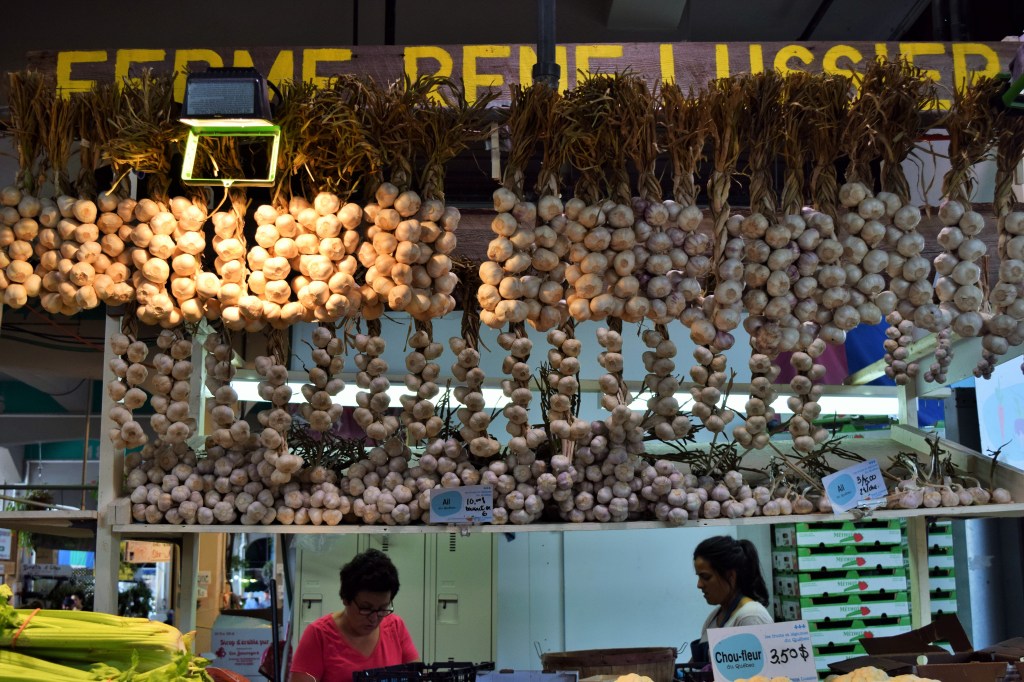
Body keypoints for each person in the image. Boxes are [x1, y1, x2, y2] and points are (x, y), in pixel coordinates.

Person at [290, 549, 419, 682]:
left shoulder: (395, 627)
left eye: (382, 608)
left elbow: (417, 676)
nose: (374, 618)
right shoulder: (318, 635)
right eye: (366, 608)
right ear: (346, 599)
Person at [690, 536, 773, 664]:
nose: (699, 584)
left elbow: (763, 673)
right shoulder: (714, 617)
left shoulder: (752, 617)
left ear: (731, 576)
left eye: (705, 577)